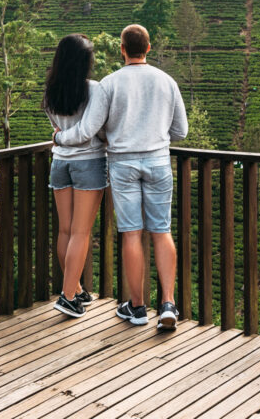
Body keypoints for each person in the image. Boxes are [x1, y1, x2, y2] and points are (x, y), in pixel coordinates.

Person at [54, 24, 188, 330]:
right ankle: (168, 304)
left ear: (122, 49)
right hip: (157, 161)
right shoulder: (167, 81)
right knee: (161, 230)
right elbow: (181, 130)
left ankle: (137, 307)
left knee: (131, 233)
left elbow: (95, 128)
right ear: (149, 48)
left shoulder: (109, 85)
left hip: (122, 164)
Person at [43, 34, 108, 318]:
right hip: (88, 164)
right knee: (81, 233)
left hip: (60, 164)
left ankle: (77, 288)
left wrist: (58, 141)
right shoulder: (94, 90)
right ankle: (68, 297)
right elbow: (86, 133)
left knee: (66, 231)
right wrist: (65, 139)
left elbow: (58, 131)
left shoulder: (50, 91)